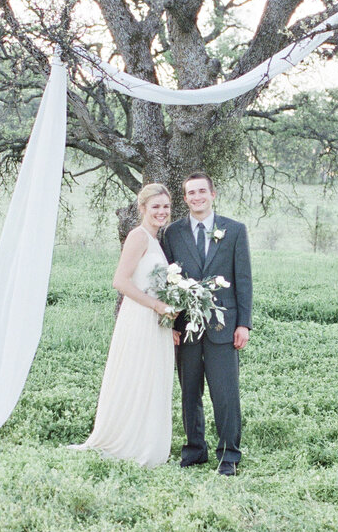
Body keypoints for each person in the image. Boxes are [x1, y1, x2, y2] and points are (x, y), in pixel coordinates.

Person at [69, 183, 176, 468]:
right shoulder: (138, 237)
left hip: (157, 320)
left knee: (151, 377)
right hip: (140, 317)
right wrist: (156, 305)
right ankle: (129, 440)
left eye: (165, 207)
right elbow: (120, 281)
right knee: (136, 375)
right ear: (142, 209)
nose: (161, 212)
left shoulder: (157, 240)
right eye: (155, 207)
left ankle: (146, 438)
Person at [161, 172, 252, 476]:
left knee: (225, 393)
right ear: (184, 198)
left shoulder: (235, 230)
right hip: (185, 326)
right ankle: (194, 450)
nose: (196, 197)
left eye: (202, 191)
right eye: (190, 193)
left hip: (223, 327)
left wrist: (244, 324)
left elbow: (243, 280)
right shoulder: (172, 233)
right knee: (189, 391)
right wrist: (172, 323)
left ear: (213, 194)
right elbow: (167, 280)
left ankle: (229, 456)